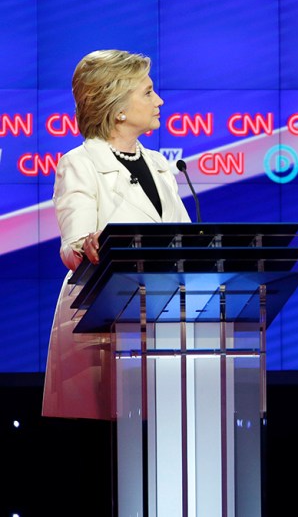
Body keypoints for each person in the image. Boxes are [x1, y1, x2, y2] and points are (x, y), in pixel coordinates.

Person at [42, 50, 191, 420]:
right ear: (118, 107)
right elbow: (74, 246)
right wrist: (87, 246)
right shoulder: (81, 163)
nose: (159, 101)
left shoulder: (159, 165)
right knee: (111, 448)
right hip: (106, 323)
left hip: (164, 320)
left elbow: (186, 241)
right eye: (148, 92)